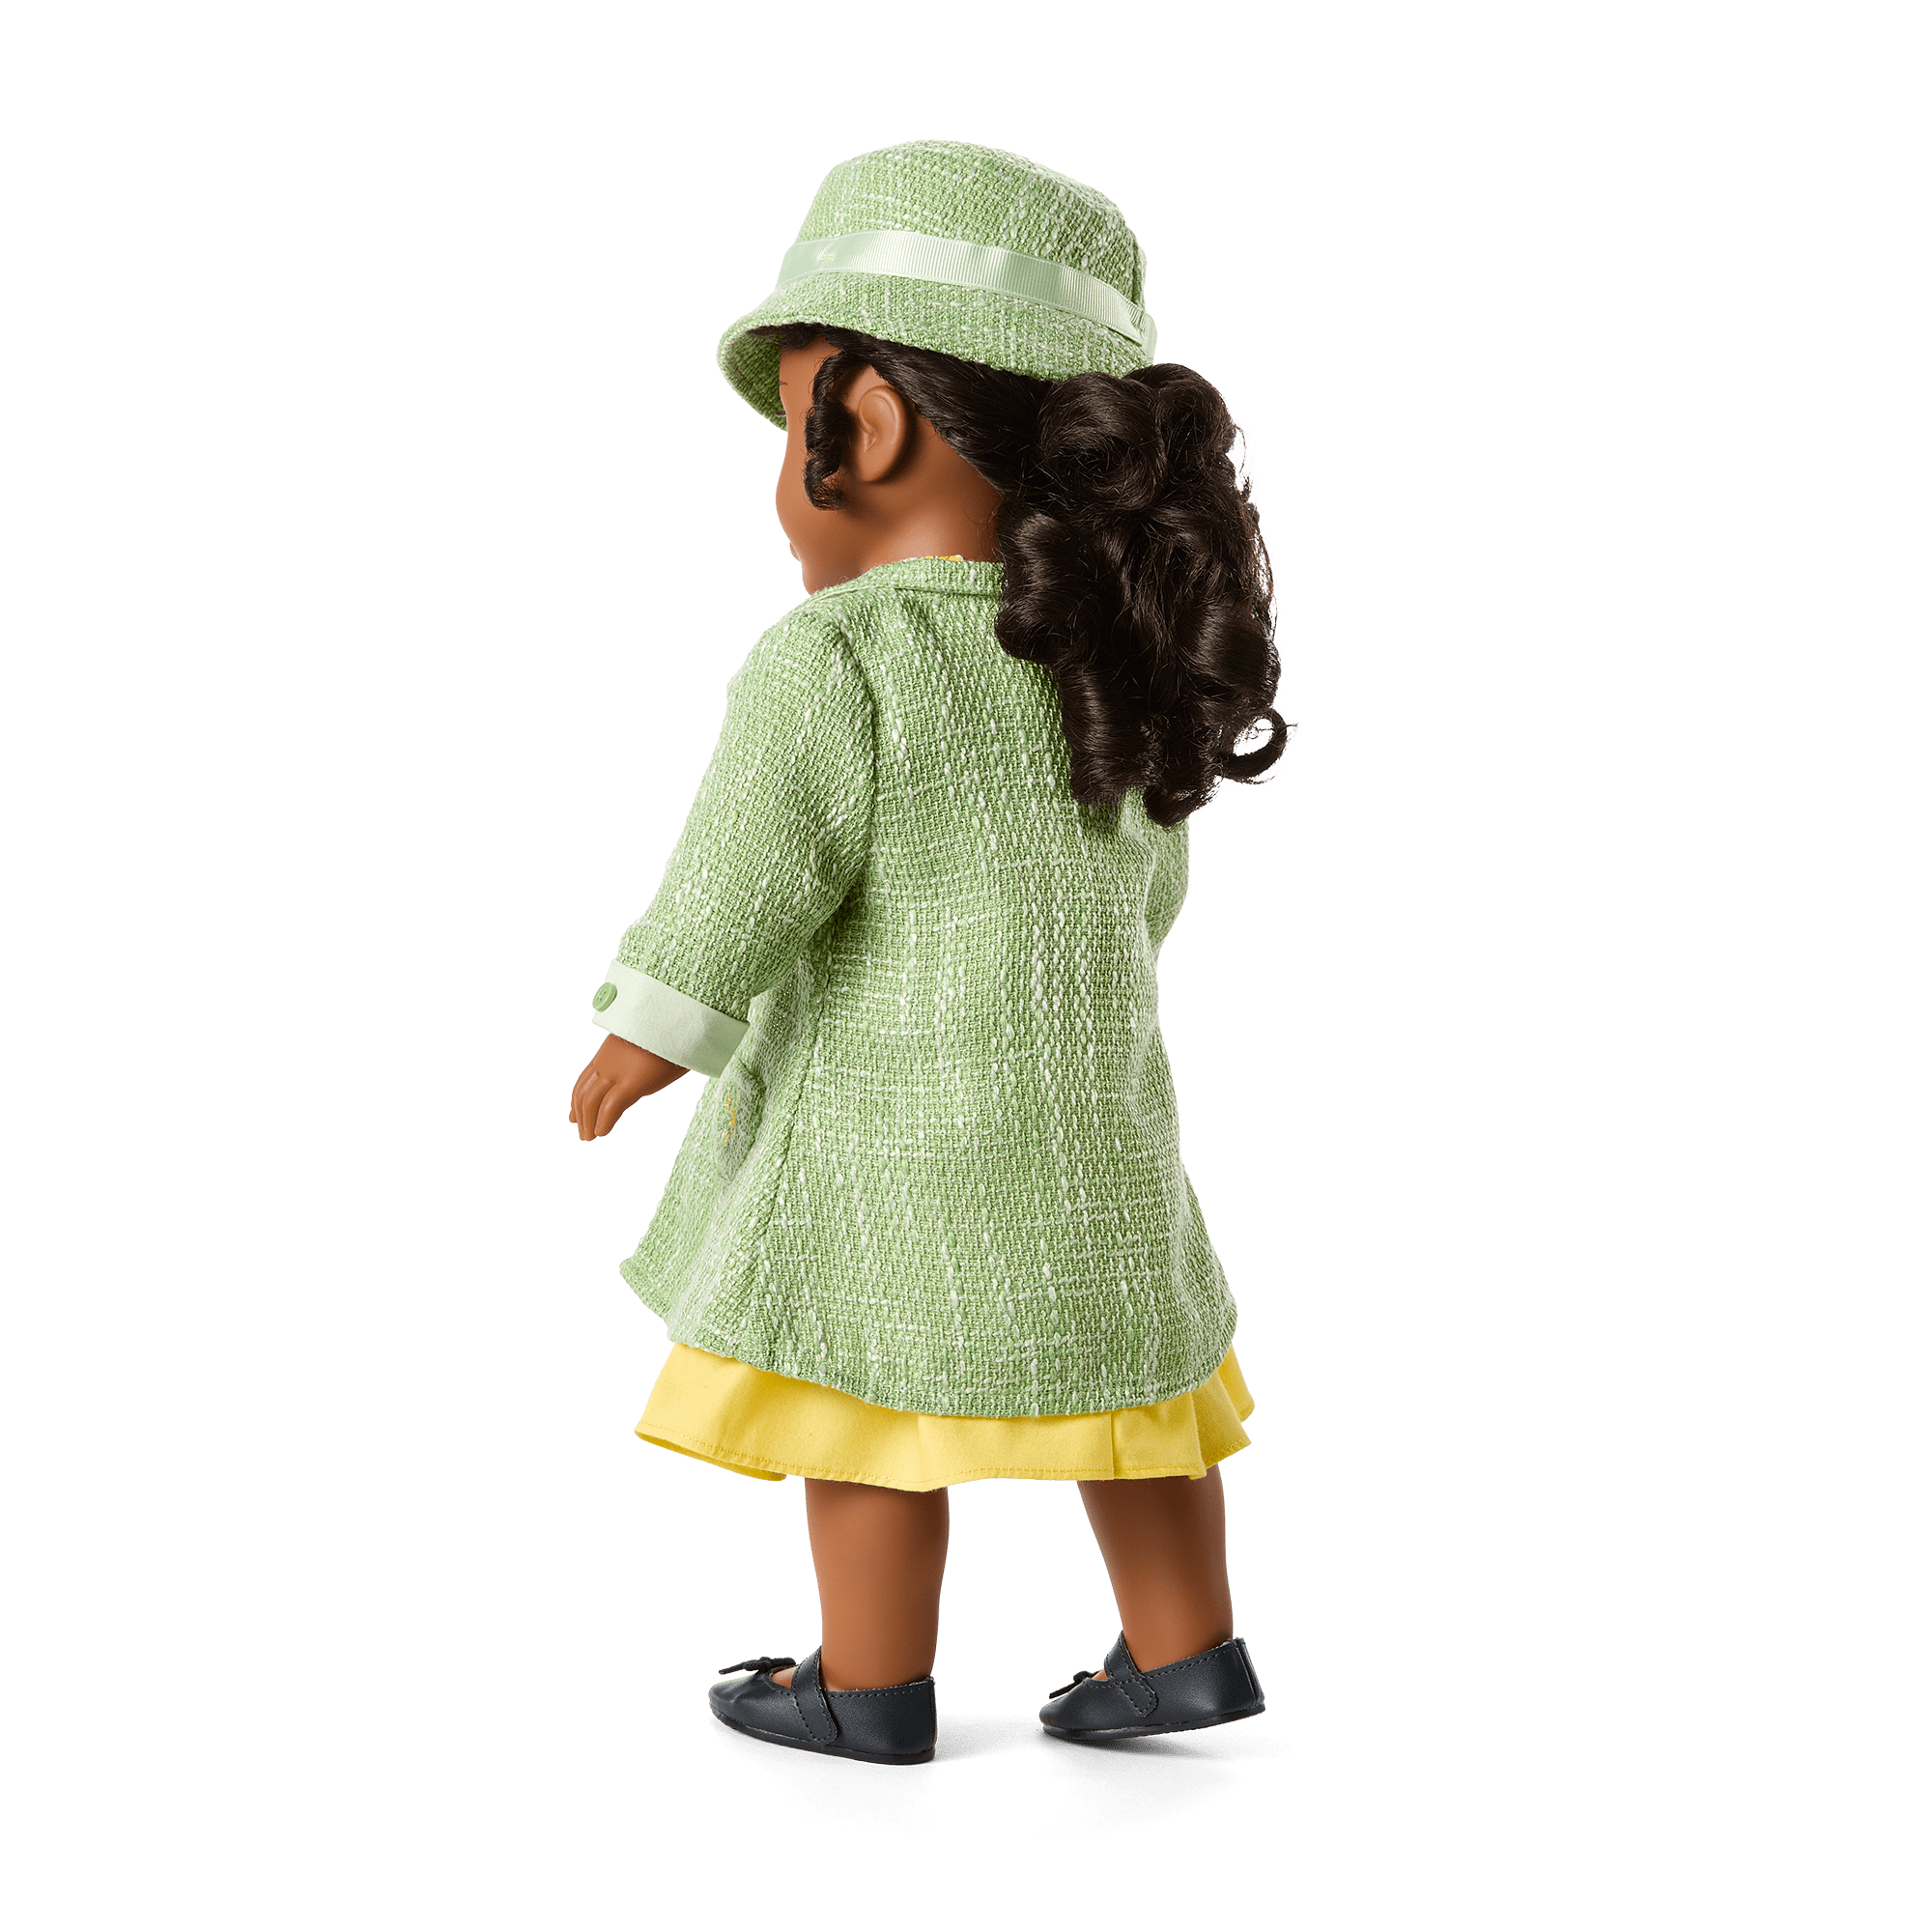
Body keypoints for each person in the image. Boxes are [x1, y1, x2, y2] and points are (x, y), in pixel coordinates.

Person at [566, 141, 1295, 1767]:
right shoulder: (1111, 657)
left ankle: (870, 1685)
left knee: (865, 1399)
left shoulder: (844, 652)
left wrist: (654, 1025)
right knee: (1137, 1394)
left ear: (871, 424)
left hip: (895, 1131)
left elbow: (745, 872)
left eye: (794, 420)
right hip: (1099, 1127)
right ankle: (1188, 1657)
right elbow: (1148, 895)